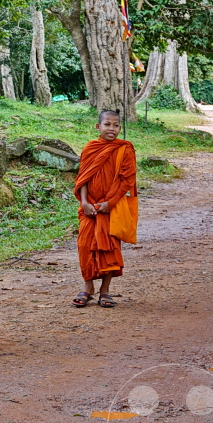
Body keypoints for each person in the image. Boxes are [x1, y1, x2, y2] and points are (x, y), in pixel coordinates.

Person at [71, 110, 137, 308]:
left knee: (110, 247)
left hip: (111, 207)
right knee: (84, 245)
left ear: (120, 128)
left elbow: (127, 181)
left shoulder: (124, 149)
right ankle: (88, 286)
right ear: (98, 127)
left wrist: (110, 203)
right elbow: (83, 178)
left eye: (116, 125)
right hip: (89, 206)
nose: (112, 129)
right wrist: (84, 202)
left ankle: (105, 290)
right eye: (107, 124)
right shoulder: (90, 148)